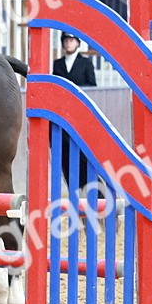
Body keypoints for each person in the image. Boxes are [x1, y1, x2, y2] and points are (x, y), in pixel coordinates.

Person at [51, 32, 96, 192]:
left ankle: (95, 194)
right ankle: (74, 193)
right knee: (66, 160)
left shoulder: (86, 64)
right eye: (66, 41)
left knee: (85, 161)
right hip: (62, 119)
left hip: (80, 118)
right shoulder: (56, 65)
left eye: (71, 40)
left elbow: (92, 89)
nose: (68, 43)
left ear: (77, 43)